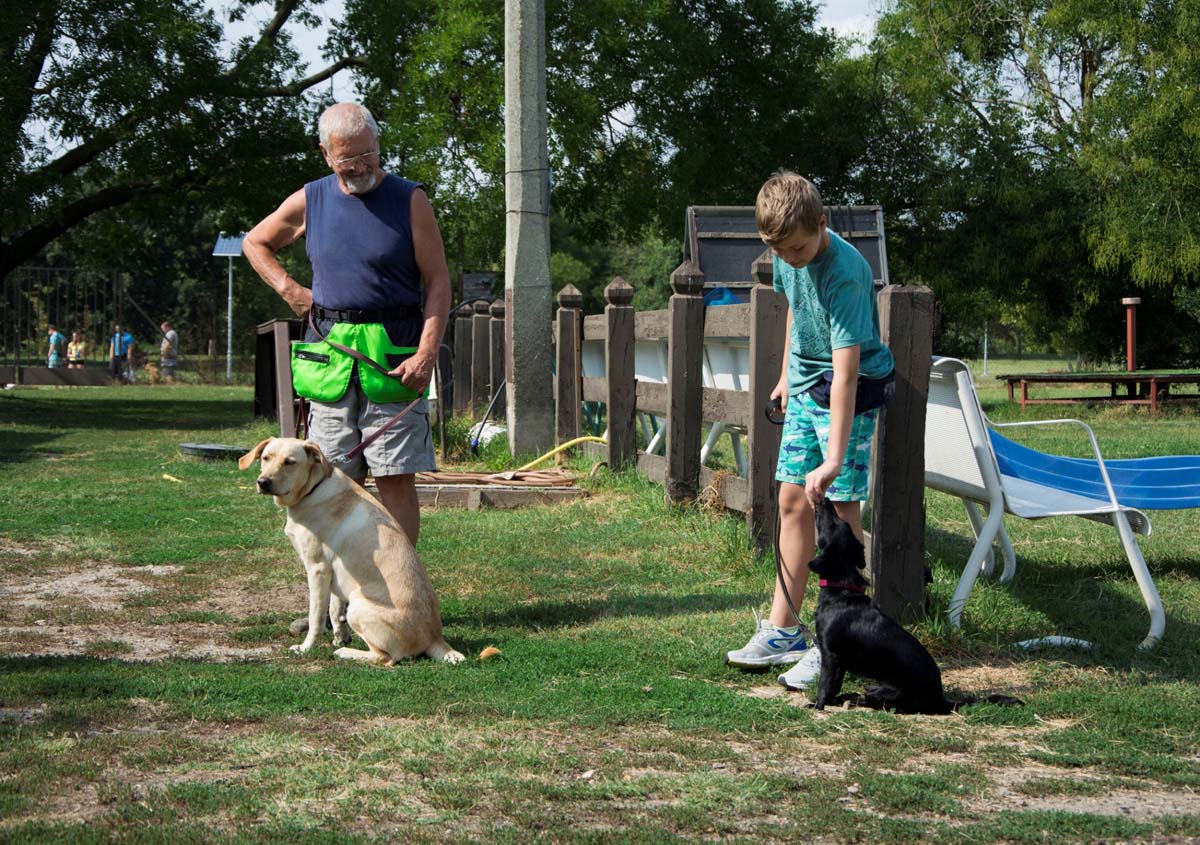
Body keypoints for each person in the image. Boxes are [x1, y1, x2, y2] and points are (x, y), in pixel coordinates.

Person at [244, 102, 450, 551]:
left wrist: (426, 354)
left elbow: (438, 283)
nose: (360, 167)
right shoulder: (311, 199)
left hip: (394, 357)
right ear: (325, 154)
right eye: (347, 159)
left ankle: (399, 596)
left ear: (378, 145)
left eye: (368, 155)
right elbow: (255, 242)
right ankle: (336, 601)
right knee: (328, 480)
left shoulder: (409, 198)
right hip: (329, 358)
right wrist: (293, 292)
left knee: (394, 477)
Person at [725, 171, 895, 692]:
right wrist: (784, 375)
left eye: (799, 248)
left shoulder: (845, 271)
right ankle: (783, 631)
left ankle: (835, 643)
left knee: (840, 509)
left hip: (851, 388)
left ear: (821, 224)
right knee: (792, 502)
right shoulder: (785, 252)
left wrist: (835, 457)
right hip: (807, 384)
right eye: (782, 251)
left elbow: (846, 372)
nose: (793, 259)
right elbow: (798, 311)